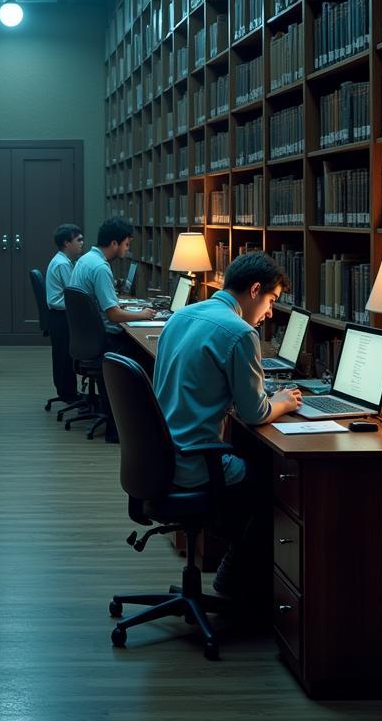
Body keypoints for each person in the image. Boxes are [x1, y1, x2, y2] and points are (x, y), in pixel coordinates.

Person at [151, 251, 303, 601]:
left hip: (160, 455)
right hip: (194, 462)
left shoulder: (182, 316)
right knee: (276, 492)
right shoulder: (239, 333)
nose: (268, 314)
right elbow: (254, 412)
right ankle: (234, 585)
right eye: (271, 301)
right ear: (253, 290)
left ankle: (237, 579)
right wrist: (283, 401)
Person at [68, 218, 157, 440]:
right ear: (115, 243)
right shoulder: (100, 268)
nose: (128, 249)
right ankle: (136, 425)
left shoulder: (85, 260)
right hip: (106, 339)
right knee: (151, 356)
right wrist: (142, 315)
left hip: (89, 338)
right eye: (127, 244)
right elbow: (113, 314)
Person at [45, 223, 84, 402]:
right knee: (64, 358)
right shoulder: (63, 264)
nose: (82, 243)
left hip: (58, 315)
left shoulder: (62, 261)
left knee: (62, 356)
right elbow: (74, 292)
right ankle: (69, 395)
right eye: (78, 240)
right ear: (66, 243)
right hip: (61, 316)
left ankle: (66, 392)